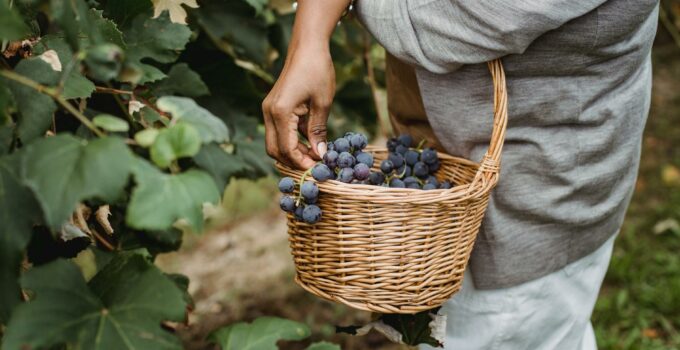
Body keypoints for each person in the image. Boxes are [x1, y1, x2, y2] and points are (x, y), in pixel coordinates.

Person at [262, 0, 660, 348]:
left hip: (531, 201)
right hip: (443, 175)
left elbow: (461, 16)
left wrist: (333, 15)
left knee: (512, 327)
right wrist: (311, 38)